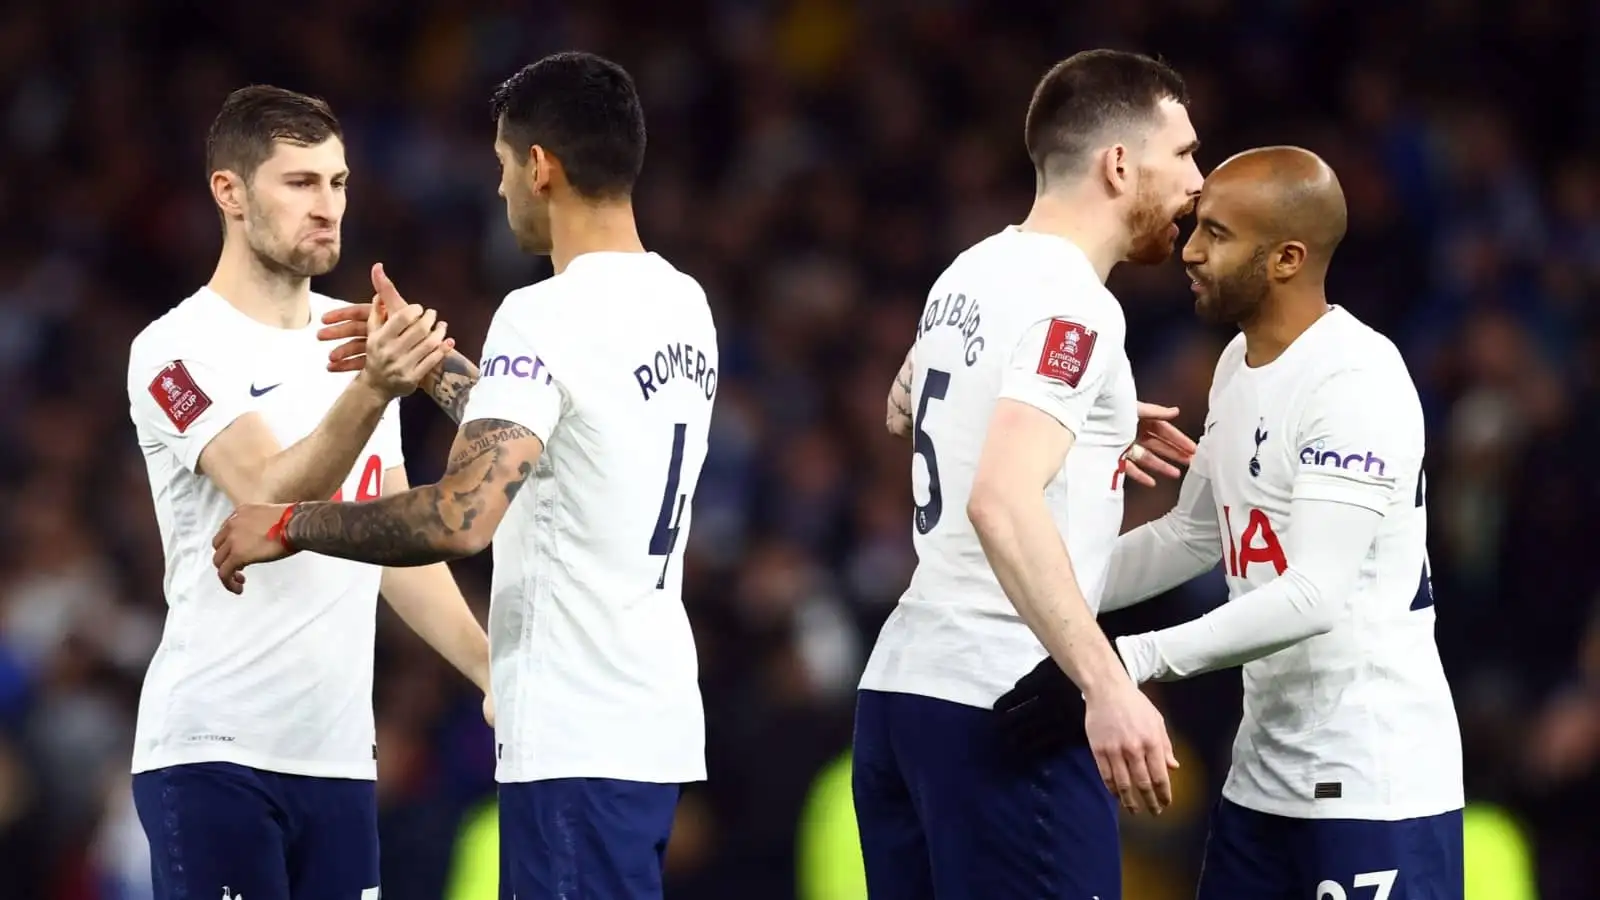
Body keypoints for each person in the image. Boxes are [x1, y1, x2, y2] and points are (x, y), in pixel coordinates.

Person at [211, 52, 716, 900]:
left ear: (541, 167)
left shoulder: (543, 312)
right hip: (651, 720)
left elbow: (461, 515)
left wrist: (291, 524)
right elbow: (561, 435)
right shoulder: (683, 302)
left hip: (572, 732)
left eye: (501, 166)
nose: (499, 190)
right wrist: (433, 360)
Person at [125, 85, 491, 900]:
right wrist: (372, 391)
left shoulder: (354, 336)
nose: (327, 206)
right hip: (215, 754)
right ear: (230, 192)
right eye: (299, 183)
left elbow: (390, 541)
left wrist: (491, 668)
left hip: (337, 762)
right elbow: (267, 493)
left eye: (339, 182)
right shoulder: (175, 350)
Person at [854, 49, 1204, 900]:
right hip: (999, 704)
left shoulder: (968, 271)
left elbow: (906, 408)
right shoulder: (1078, 304)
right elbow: (1001, 500)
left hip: (900, 696)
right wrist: (1106, 685)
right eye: (1185, 153)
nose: (1198, 180)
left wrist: (1093, 424)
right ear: (1120, 164)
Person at [1097, 146, 1464, 898]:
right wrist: (1051, 593)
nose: (1191, 251)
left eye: (1220, 235)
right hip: (1261, 786)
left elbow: (1314, 593)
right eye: (1198, 227)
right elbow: (1193, 534)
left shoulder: (1354, 381)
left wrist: (1130, 661)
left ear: (1288, 258)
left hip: (1371, 788)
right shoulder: (1237, 363)